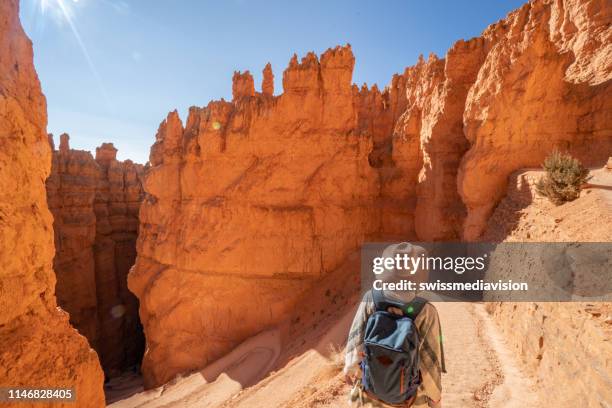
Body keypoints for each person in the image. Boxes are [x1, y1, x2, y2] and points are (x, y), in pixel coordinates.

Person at [344, 242, 445, 408]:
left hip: (370, 394)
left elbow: (355, 341)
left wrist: (350, 368)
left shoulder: (371, 298)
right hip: (409, 399)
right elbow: (430, 363)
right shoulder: (426, 311)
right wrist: (436, 399)